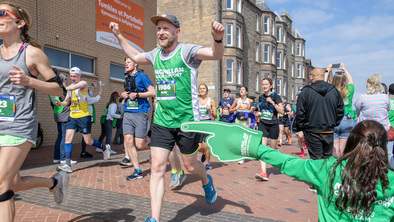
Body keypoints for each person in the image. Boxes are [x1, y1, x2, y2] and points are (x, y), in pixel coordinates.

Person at [110, 12, 224, 222]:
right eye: (159, 29)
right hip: (162, 121)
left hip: (187, 121)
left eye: (166, 28)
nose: (161, 32)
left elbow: (215, 54)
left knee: (189, 166)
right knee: (157, 167)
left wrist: (217, 39)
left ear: (177, 32)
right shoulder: (154, 55)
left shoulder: (187, 51)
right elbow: (135, 56)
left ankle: (207, 182)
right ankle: (154, 218)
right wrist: (119, 35)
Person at [181, 120, 394, 221]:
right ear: (384, 146)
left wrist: (250, 146)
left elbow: (286, 163)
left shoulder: (327, 169)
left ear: (351, 143)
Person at [0, 2, 69, 221]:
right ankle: (55, 182)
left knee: (1, 185)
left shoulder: (32, 54)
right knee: (13, 183)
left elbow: (59, 89)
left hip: (19, 124)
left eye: (2, 13)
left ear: (19, 23)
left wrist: (29, 81)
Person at [294, 67, 344, 192]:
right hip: (328, 129)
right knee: (327, 157)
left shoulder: (305, 92)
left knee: (316, 157)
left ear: (312, 76)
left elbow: (300, 113)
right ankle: (326, 181)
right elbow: (340, 110)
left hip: (312, 129)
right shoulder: (334, 91)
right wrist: (333, 122)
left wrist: (301, 128)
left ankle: (317, 183)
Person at [55, 67, 111, 173]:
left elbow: (73, 87)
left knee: (88, 141)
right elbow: (67, 101)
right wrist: (61, 103)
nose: (73, 78)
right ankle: (67, 164)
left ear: (80, 76)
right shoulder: (70, 87)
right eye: (71, 76)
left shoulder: (83, 84)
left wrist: (60, 86)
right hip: (72, 116)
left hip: (83, 116)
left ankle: (104, 147)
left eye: (75, 76)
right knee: (67, 138)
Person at [121, 56, 154, 181]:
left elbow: (153, 92)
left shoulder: (142, 76)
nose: (126, 64)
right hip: (128, 113)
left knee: (140, 145)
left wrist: (138, 95)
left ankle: (156, 144)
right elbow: (130, 95)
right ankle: (137, 170)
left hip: (140, 113)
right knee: (129, 141)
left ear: (135, 64)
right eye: (125, 62)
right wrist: (125, 95)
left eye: (128, 62)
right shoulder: (127, 78)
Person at [354, 74, 392, 167]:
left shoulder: (362, 97)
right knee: (383, 151)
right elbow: (387, 110)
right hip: (382, 128)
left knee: (366, 151)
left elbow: (358, 111)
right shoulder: (385, 98)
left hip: (366, 129)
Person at [255, 78, 283, 181]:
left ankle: (277, 158)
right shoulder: (260, 97)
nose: (264, 86)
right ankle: (263, 172)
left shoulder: (275, 96)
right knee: (262, 147)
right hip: (262, 123)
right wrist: (258, 112)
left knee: (272, 149)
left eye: (266, 84)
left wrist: (272, 102)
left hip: (273, 124)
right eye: (263, 84)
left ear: (270, 86)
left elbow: (282, 111)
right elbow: (260, 109)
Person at [325, 63, 355, 158]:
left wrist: (327, 70)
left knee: (335, 148)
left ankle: (335, 167)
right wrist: (344, 69)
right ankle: (343, 167)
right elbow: (351, 81)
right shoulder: (349, 90)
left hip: (334, 118)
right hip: (347, 118)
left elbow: (324, 83)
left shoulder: (330, 90)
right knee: (344, 148)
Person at [229, 86, 256, 165]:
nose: (241, 91)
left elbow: (252, 110)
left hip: (246, 120)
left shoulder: (250, 101)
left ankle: (242, 156)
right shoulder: (237, 100)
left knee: (245, 137)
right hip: (238, 120)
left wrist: (252, 110)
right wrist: (235, 109)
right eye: (240, 90)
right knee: (238, 138)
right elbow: (230, 109)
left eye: (243, 90)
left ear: (246, 92)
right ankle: (239, 154)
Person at [49, 72, 70, 164]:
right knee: (64, 137)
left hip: (57, 113)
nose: (68, 81)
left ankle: (56, 157)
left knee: (60, 136)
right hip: (64, 114)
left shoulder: (52, 89)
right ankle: (63, 158)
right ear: (62, 80)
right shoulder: (62, 89)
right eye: (66, 79)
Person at [197, 83, 217, 171]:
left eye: (204, 88)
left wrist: (210, 110)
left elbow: (215, 116)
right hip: (198, 124)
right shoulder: (195, 100)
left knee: (207, 146)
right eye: (200, 89)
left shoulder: (211, 101)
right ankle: (204, 153)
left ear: (207, 90)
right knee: (199, 147)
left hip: (208, 123)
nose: (202, 90)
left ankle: (208, 163)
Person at [81, 81, 103, 158]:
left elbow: (90, 94)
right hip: (86, 118)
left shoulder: (83, 94)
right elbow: (96, 99)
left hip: (83, 117)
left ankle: (83, 152)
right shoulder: (86, 97)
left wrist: (95, 87)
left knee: (84, 136)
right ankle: (84, 152)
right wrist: (100, 91)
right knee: (86, 137)